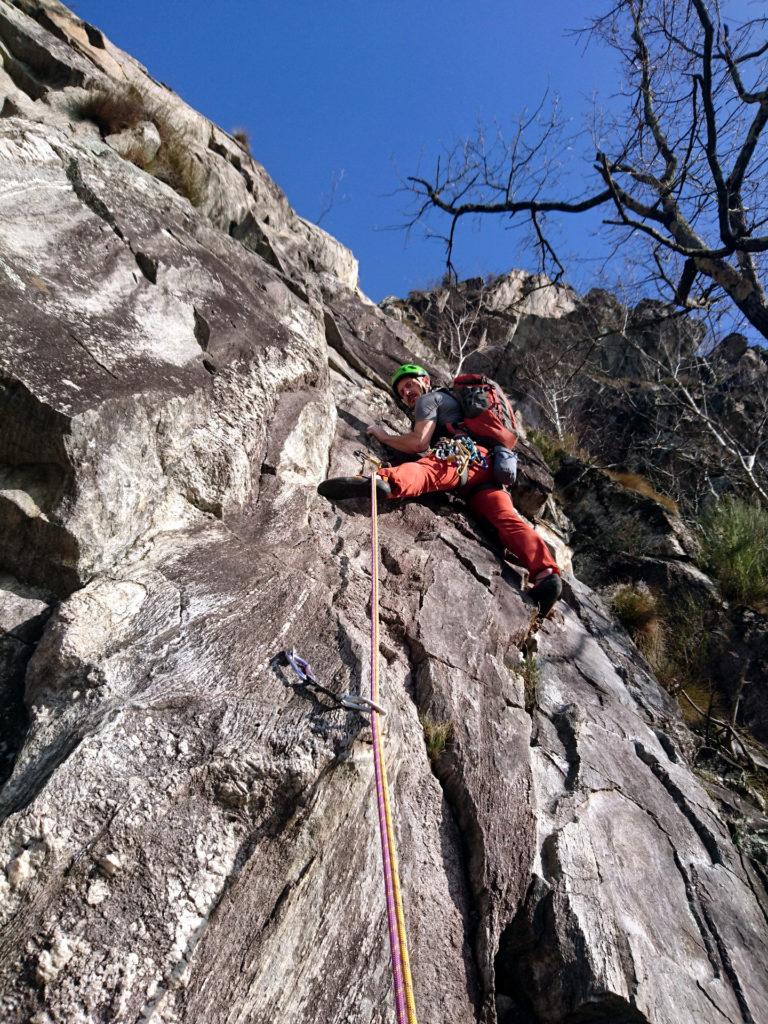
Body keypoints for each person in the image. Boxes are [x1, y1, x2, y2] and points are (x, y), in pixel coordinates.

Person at [318, 363, 562, 616]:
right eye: (402, 392)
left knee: (429, 470)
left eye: (410, 384)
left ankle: (384, 482)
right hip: (489, 472)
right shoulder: (454, 404)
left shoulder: (429, 399)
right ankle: (546, 575)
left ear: (425, 380)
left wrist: (384, 436)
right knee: (507, 519)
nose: (407, 393)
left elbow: (418, 442)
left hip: (465, 455)